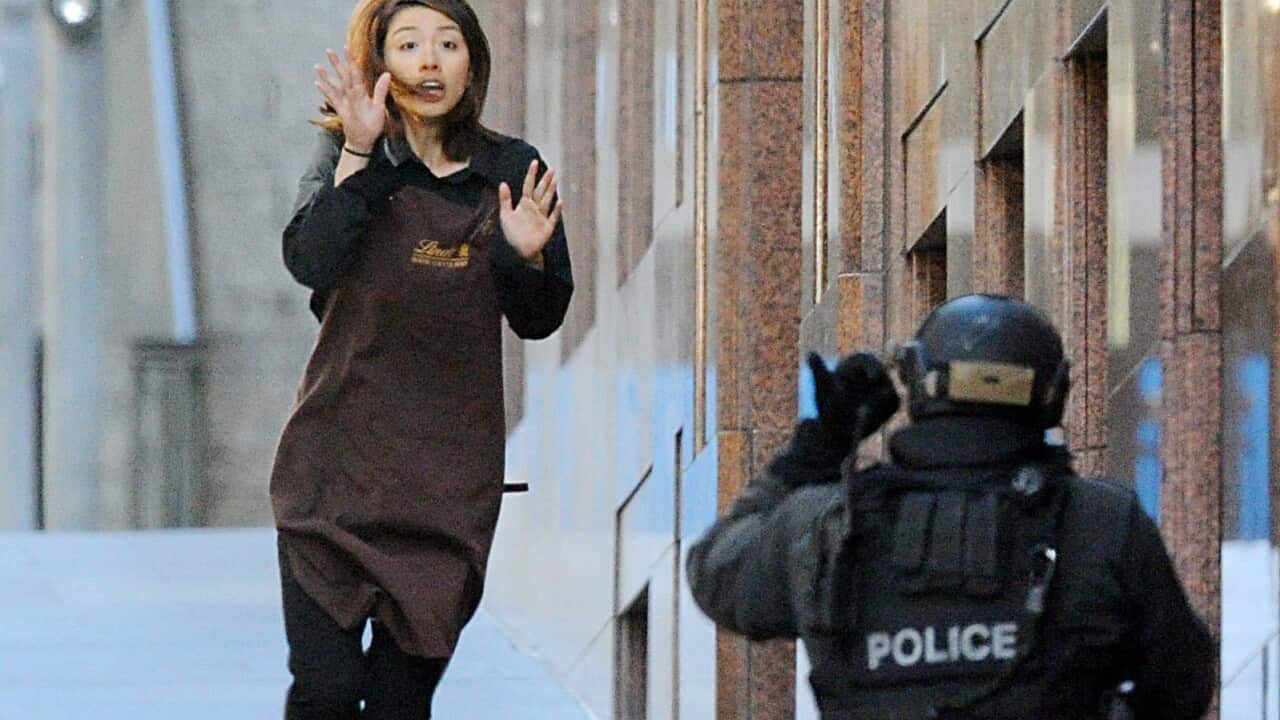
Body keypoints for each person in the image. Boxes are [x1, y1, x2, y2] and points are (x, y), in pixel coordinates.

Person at [686, 294, 1215, 719]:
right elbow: (1181, 681)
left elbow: (716, 573)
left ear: (917, 384)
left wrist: (823, 444)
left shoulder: (826, 523)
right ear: (1052, 395)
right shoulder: (1102, 523)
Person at [269, 1, 573, 717]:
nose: (430, 61)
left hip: (445, 491)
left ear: (473, 62)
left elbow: (540, 319)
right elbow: (313, 261)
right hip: (333, 477)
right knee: (328, 689)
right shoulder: (350, 152)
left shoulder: (512, 168)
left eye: (448, 44)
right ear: (383, 64)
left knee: (402, 704)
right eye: (409, 45)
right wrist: (359, 155)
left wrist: (526, 258)